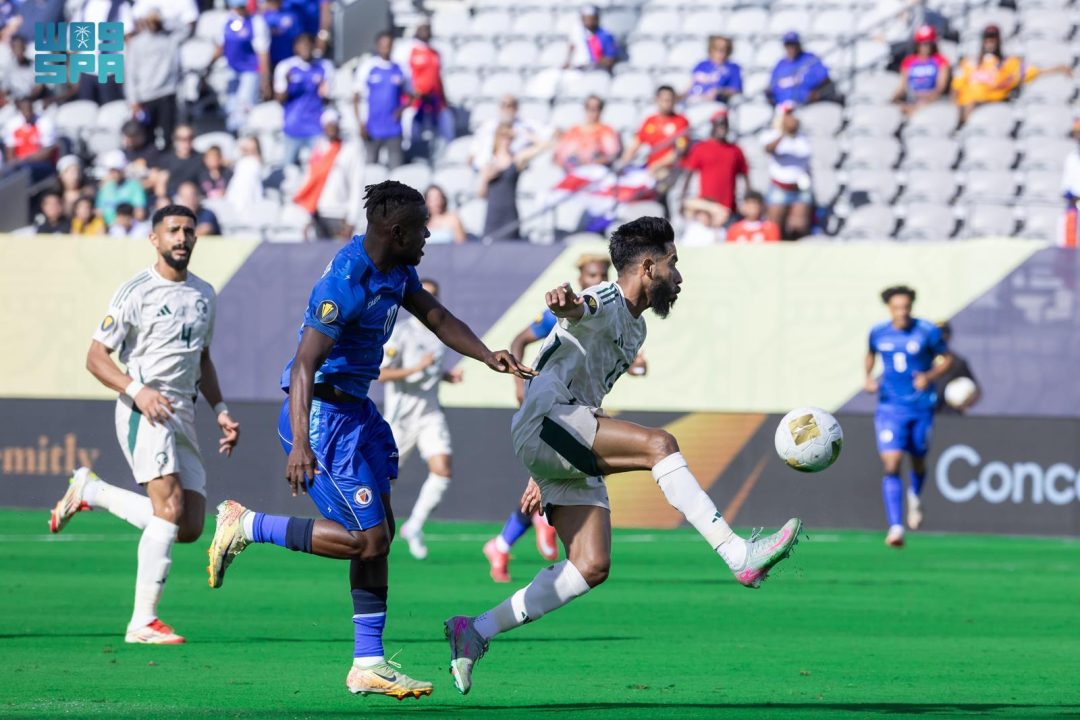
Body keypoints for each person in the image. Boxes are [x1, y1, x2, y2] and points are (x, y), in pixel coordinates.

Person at [444, 217, 801, 695]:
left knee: (591, 566)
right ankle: (738, 553)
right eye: (673, 263)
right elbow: (579, 307)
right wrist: (566, 303)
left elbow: (585, 390)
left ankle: (475, 630)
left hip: (562, 433)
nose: (679, 276)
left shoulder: (637, 330)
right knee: (660, 445)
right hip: (549, 419)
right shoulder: (607, 298)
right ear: (648, 267)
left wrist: (544, 466)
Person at [205, 180, 533, 699]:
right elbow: (305, 364)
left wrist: (487, 355)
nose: (427, 237)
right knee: (367, 539)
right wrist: (300, 444)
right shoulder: (345, 281)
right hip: (321, 418)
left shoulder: (397, 269)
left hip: (357, 412)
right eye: (421, 229)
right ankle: (246, 524)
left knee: (382, 533)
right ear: (396, 231)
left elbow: (437, 316)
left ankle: (368, 663)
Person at [48, 204, 240, 644]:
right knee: (168, 510)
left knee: (188, 526)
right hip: (144, 407)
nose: (181, 237)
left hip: (184, 411)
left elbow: (203, 359)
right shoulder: (136, 291)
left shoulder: (204, 294)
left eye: (188, 230)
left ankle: (91, 491)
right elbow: (95, 357)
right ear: (154, 239)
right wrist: (138, 391)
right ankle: (142, 621)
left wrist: (221, 409)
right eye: (172, 230)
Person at [484, 253, 639, 584]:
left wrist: (634, 362)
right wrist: (519, 383)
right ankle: (518, 535)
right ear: (580, 278)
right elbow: (519, 340)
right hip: (550, 406)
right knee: (548, 479)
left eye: (602, 274)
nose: (597, 279)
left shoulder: (609, 312)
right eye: (591, 275)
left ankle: (503, 544)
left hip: (580, 407)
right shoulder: (567, 312)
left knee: (546, 481)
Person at [376, 278, 464, 559]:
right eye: (425, 294)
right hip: (401, 417)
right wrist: (416, 368)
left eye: (434, 295)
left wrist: (447, 376)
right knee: (384, 479)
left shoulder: (440, 333)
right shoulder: (401, 332)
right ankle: (370, 526)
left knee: (443, 470)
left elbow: (431, 371)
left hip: (430, 413)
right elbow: (380, 373)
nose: (430, 299)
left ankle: (413, 526)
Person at [864, 285, 952, 548]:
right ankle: (896, 527)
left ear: (911, 307)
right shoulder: (878, 332)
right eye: (897, 307)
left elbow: (946, 359)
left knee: (918, 460)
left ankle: (915, 495)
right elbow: (870, 354)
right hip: (890, 407)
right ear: (889, 308)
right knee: (891, 464)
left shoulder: (926, 331)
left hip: (920, 406)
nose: (902, 312)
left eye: (906, 307)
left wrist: (929, 376)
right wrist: (867, 378)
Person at [952, 24, 1071, 125]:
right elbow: (956, 87)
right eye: (987, 39)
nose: (990, 43)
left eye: (993, 39)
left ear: (999, 41)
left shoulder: (1009, 62)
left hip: (993, 103)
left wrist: (1057, 69)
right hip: (966, 106)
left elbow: (1034, 72)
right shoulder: (969, 62)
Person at [292, 109, 365, 239]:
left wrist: (352, 220)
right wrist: (306, 217)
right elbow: (310, 182)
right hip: (318, 214)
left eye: (333, 124)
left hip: (340, 215)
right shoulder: (318, 150)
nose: (331, 128)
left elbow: (356, 186)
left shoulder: (349, 150)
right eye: (328, 124)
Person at [479, 123, 551, 241]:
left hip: (509, 212)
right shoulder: (489, 163)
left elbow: (545, 145)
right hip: (493, 213)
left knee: (511, 245)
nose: (506, 140)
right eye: (503, 136)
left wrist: (523, 134)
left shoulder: (516, 159)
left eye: (509, 137)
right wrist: (485, 179)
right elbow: (481, 194)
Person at [679, 109, 749, 228]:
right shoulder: (701, 148)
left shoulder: (735, 150)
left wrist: (746, 202)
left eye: (725, 125)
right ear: (713, 126)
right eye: (719, 124)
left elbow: (745, 177)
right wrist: (682, 199)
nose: (722, 128)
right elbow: (688, 175)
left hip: (729, 208)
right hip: (707, 208)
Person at [126, 5, 184, 147]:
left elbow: (185, 30)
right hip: (145, 96)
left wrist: (165, 19)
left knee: (168, 134)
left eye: (155, 21)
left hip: (167, 93)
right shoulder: (137, 43)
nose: (153, 24)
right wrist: (133, 99)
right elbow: (130, 72)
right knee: (147, 136)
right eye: (150, 20)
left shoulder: (169, 40)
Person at [274, 33, 333, 168]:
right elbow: (279, 99)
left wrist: (323, 90)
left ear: (313, 46)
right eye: (302, 45)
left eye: (308, 45)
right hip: (292, 127)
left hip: (315, 127)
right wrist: (287, 84)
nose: (305, 48)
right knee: (287, 169)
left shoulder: (324, 66)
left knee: (317, 168)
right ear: (295, 48)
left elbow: (327, 98)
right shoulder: (286, 67)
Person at [353, 31, 409, 169]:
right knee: (370, 167)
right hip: (372, 127)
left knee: (396, 168)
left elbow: (412, 94)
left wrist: (401, 109)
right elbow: (356, 97)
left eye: (388, 45)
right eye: (382, 45)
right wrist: (360, 123)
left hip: (393, 128)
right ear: (377, 46)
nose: (386, 48)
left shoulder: (401, 68)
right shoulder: (368, 67)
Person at [403, 19, 454, 162]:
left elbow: (438, 77)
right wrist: (411, 96)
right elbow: (404, 78)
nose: (426, 31)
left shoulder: (435, 52)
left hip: (435, 100)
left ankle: (447, 159)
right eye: (423, 28)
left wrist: (444, 99)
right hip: (416, 102)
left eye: (428, 28)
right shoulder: (408, 50)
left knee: (446, 126)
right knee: (412, 131)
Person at [218, 0, 271, 132]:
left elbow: (263, 53)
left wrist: (265, 79)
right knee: (230, 106)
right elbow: (221, 45)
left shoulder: (256, 22)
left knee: (245, 106)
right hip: (231, 70)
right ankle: (232, 134)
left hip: (250, 70)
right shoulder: (226, 20)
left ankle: (245, 135)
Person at [620, 86, 689, 187]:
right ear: (657, 100)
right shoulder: (650, 121)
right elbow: (636, 144)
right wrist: (623, 162)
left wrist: (658, 165)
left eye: (669, 100)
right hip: (648, 167)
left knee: (655, 181)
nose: (667, 103)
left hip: (668, 168)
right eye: (663, 100)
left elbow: (679, 150)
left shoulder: (681, 122)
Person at [761, 103, 813, 239]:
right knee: (774, 227)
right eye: (788, 115)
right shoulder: (772, 135)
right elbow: (768, 149)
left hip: (800, 187)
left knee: (798, 227)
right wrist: (784, 132)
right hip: (779, 186)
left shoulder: (803, 137)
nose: (792, 118)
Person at [892, 25, 950, 117]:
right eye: (921, 43)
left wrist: (929, 97)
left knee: (921, 108)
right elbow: (901, 87)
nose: (924, 47)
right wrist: (893, 99)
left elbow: (941, 87)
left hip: (931, 99)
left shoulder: (940, 60)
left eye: (927, 43)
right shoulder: (908, 61)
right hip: (912, 98)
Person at [553, 95, 621, 172]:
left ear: (601, 110)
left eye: (595, 109)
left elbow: (611, 155)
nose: (591, 112)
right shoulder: (574, 130)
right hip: (572, 169)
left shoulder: (606, 130)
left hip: (594, 170)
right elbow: (560, 154)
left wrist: (590, 163)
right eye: (588, 107)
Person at [767, 32, 831, 106]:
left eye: (794, 45)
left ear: (799, 45)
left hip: (808, 105)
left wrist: (816, 93)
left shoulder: (809, 60)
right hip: (784, 107)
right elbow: (771, 89)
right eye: (788, 45)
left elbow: (825, 80)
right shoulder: (780, 66)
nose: (791, 48)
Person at [2, 96, 57, 183]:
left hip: (40, 163)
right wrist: (14, 163)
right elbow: (10, 152)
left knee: (26, 171)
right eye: (24, 109)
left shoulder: (45, 123)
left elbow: (47, 152)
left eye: (29, 109)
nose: (27, 112)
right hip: (19, 164)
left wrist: (25, 160)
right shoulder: (13, 125)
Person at [932, 321, 980, 415]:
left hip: (950, 414)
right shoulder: (922, 359)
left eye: (944, 334)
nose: (941, 337)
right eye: (937, 334)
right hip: (927, 413)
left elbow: (976, 391)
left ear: (949, 336)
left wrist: (966, 400)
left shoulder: (958, 362)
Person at [96, 150, 148, 226]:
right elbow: (99, 212)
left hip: (130, 228)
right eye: (111, 171)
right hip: (108, 229)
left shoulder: (135, 186)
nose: (114, 174)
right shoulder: (105, 187)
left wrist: (123, 223)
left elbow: (140, 213)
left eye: (116, 170)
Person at [686, 35, 742, 104]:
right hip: (693, 101)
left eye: (726, 49)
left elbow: (735, 90)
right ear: (711, 49)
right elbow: (690, 85)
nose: (722, 52)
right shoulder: (701, 65)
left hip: (716, 104)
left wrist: (719, 91)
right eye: (717, 48)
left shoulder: (733, 68)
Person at [153, 125, 204, 200]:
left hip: (195, 198)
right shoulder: (166, 159)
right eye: (181, 138)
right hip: (172, 198)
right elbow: (160, 188)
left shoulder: (202, 158)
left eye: (190, 137)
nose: (186, 142)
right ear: (174, 140)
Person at [564, 4, 617, 72]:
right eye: (586, 19)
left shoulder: (606, 35)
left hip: (597, 69)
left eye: (592, 19)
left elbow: (610, 59)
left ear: (597, 19)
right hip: (578, 69)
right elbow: (572, 48)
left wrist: (598, 61)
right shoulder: (578, 33)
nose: (589, 22)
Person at [225, 135, 265, 208]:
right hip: (237, 187)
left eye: (253, 146)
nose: (250, 148)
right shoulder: (240, 160)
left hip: (250, 187)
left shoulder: (255, 161)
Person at [263, 0, 301, 68]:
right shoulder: (263, 17)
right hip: (271, 57)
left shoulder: (291, 15)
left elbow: (298, 37)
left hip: (289, 56)